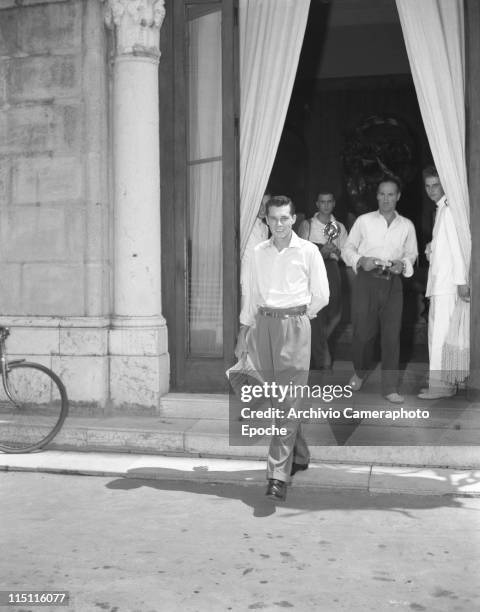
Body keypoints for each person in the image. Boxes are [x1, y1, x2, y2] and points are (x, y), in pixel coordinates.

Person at [236, 195, 329, 502]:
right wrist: (243, 333)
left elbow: (322, 295)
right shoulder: (258, 253)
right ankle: (299, 454)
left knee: (286, 402)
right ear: (266, 219)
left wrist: (299, 317)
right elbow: (251, 296)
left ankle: (277, 474)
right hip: (262, 326)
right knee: (274, 397)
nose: (278, 224)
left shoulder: (308, 251)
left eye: (284, 218)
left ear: (293, 218)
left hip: (294, 326)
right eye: (273, 218)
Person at [342, 177, 418, 403]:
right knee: (363, 334)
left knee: (392, 336)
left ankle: (390, 387)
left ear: (398, 196)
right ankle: (360, 371)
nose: (386, 199)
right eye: (382, 194)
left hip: (393, 283)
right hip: (366, 280)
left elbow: (412, 254)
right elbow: (348, 247)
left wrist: (402, 264)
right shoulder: (364, 221)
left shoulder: (407, 225)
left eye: (391, 194)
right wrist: (360, 260)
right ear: (376, 196)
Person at [418, 166, 470, 399]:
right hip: (441, 282)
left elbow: (458, 250)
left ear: (444, 184)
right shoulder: (442, 210)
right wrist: (432, 249)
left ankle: (441, 387)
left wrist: (461, 281)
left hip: (447, 285)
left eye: (435, 185)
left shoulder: (448, 211)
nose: (431, 190)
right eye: (427, 186)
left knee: (439, 337)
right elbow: (446, 248)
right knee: (440, 335)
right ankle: (445, 384)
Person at [298, 190, 348, 369]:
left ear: (333, 203)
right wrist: (320, 252)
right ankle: (322, 357)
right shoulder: (307, 225)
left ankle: (316, 344)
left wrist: (335, 250)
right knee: (315, 314)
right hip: (312, 272)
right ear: (317, 204)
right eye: (322, 202)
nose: (326, 205)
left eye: (329, 202)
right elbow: (299, 253)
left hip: (332, 270)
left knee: (336, 313)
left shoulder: (340, 226)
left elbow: (347, 255)